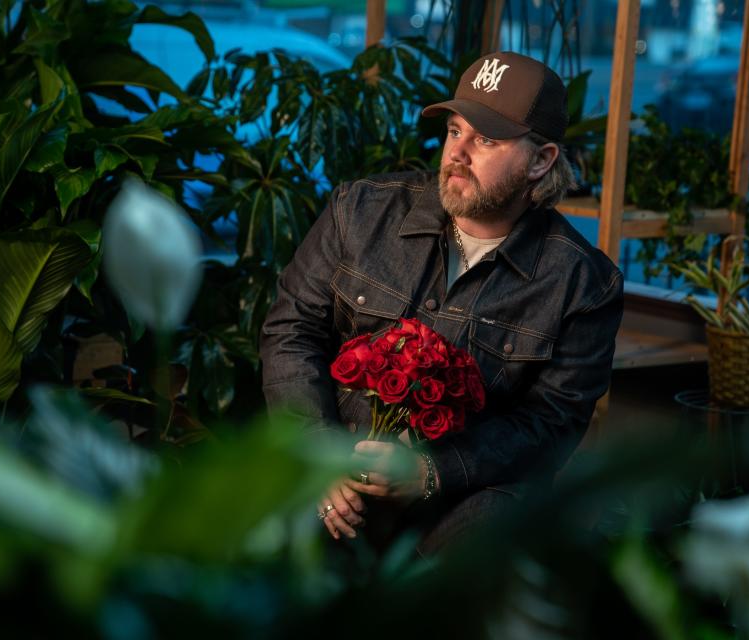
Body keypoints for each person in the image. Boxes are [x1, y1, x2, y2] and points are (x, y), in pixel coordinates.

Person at [259, 51, 624, 553]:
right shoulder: (360, 211)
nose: (458, 152)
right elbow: (290, 330)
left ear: (541, 161)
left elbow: (549, 424)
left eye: (487, 140)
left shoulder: (583, 284)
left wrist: (432, 470)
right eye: (455, 131)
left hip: (459, 504)